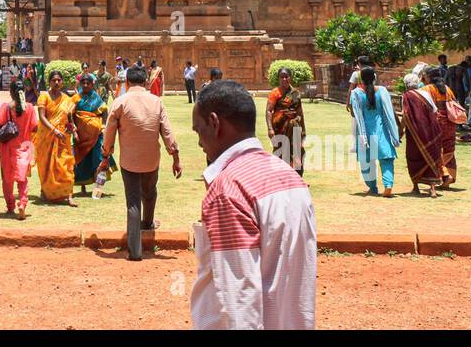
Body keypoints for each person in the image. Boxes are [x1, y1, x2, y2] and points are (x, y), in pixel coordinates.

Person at [189, 79, 316, 329]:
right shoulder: (290, 177)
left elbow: (240, 297)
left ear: (214, 123)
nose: (199, 142)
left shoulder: (229, 189)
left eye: (198, 130)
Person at [100, 66, 181, 260]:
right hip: (151, 159)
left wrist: (105, 156)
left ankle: (135, 251)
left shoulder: (120, 102)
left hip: (129, 161)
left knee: (133, 202)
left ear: (127, 82)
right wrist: (175, 157)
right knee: (150, 192)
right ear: (145, 82)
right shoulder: (156, 102)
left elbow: (108, 133)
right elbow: (167, 132)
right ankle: (147, 223)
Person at [0, 79, 39, 219]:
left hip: (7, 148)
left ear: (10, 92)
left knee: (7, 179)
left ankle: (10, 206)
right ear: (24, 91)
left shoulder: (6, 108)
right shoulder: (30, 108)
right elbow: (35, 128)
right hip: (24, 148)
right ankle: (22, 203)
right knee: (22, 179)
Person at [350, 67, 397, 197]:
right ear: (374, 77)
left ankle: (372, 187)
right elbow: (388, 111)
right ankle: (388, 185)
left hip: (365, 132)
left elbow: (355, 113)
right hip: (381, 130)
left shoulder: (356, 93)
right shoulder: (382, 91)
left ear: (361, 79)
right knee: (386, 158)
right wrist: (394, 133)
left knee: (366, 161)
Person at [34, 70, 78, 205]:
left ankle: (69, 195)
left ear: (62, 81)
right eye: (54, 80)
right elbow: (42, 117)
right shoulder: (44, 97)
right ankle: (45, 192)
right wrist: (53, 130)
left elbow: (69, 116)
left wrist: (72, 126)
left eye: (59, 80)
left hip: (62, 136)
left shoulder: (66, 98)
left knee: (65, 164)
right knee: (46, 165)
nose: (57, 82)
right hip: (46, 136)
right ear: (49, 82)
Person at [400, 66, 443, 197]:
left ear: (406, 85)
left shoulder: (406, 96)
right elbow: (435, 111)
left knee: (414, 158)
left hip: (414, 134)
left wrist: (399, 131)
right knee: (431, 156)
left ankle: (416, 187)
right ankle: (433, 189)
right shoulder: (425, 93)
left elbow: (405, 115)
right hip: (431, 131)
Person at [72, 73, 114, 196]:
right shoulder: (76, 98)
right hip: (81, 136)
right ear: (80, 84)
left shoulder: (96, 98)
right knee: (81, 161)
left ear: (92, 84)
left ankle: (98, 189)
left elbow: (104, 112)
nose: (85, 85)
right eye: (83, 83)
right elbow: (71, 115)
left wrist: (103, 126)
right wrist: (74, 129)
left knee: (99, 161)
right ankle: (83, 187)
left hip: (96, 136)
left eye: (88, 83)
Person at [266, 67, 306, 176]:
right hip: (279, 128)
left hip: (295, 128)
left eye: (286, 76)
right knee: (281, 151)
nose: (284, 79)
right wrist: (270, 129)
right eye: (282, 77)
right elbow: (269, 111)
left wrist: (301, 129)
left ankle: (297, 178)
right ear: (279, 78)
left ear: (290, 77)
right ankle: (280, 178)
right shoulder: (275, 93)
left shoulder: (295, 93)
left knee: (297, 152)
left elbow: (299, 112)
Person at [426, 72, 458, 188]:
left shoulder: (429, 89)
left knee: (436, 151)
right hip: (451, 124)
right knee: (449, 150)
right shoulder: (448, 89)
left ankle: (444, 174)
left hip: (437, 124)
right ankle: (450, 178)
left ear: (429, 77)